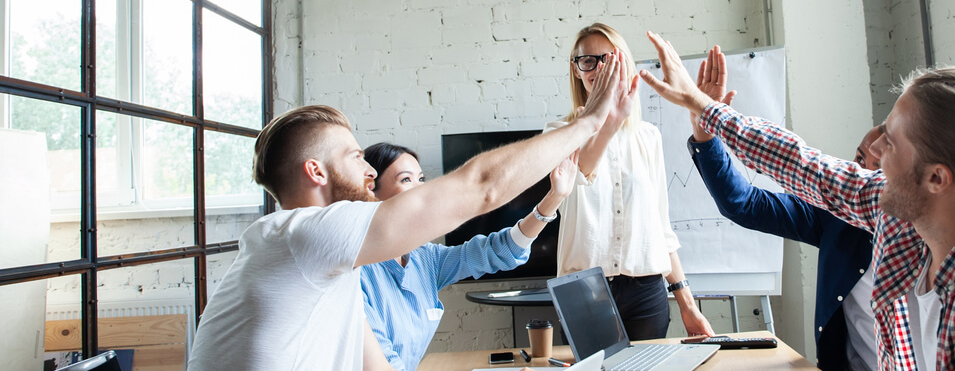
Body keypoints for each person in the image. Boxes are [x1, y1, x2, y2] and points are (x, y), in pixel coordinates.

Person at [640, 31, 955, 369]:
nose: (872, 154)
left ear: (936, 177)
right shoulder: (903, 219)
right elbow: (802, 164)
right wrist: (705, 109)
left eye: (889, 142)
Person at [188, 46, 637, 370]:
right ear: (316, 172)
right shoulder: (305, 234)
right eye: (353, 156)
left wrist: (553, 198)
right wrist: (592, 122)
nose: (366, 169)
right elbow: (481, 186)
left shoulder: (327, 265)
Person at [542, 23, 713, 340]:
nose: (599, 68)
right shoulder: (556, 133)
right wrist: (607, 121)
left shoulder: (648, 136)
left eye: (608, 58)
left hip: (646, 290)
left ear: (623, 63)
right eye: (588, 60)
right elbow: (582, 172)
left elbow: (661, 227)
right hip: (583, 290)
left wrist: (687, 304)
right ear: (576, 70)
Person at [357, 143, 576, 370]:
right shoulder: (357, 273)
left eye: (421, 179)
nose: (420, 189)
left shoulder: (425, 259)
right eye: (405, 180)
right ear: (371, 193)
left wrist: (554, 198)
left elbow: (499, 251)